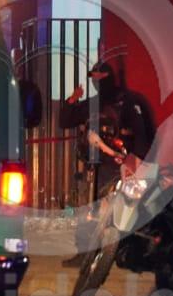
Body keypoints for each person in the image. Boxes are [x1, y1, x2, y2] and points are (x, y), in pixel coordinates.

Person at [59, 61, 153, 267]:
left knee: (118, 210)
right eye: (93, 78)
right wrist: (72, 100)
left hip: (119, 166)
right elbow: (64, 121)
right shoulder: (93, 103)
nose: (96, 82)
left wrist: (135, 160)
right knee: (87, 211)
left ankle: (119, 252)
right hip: (93, 166)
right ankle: (84, 254)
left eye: (99, 78)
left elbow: (141, 133)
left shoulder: (126, 102)